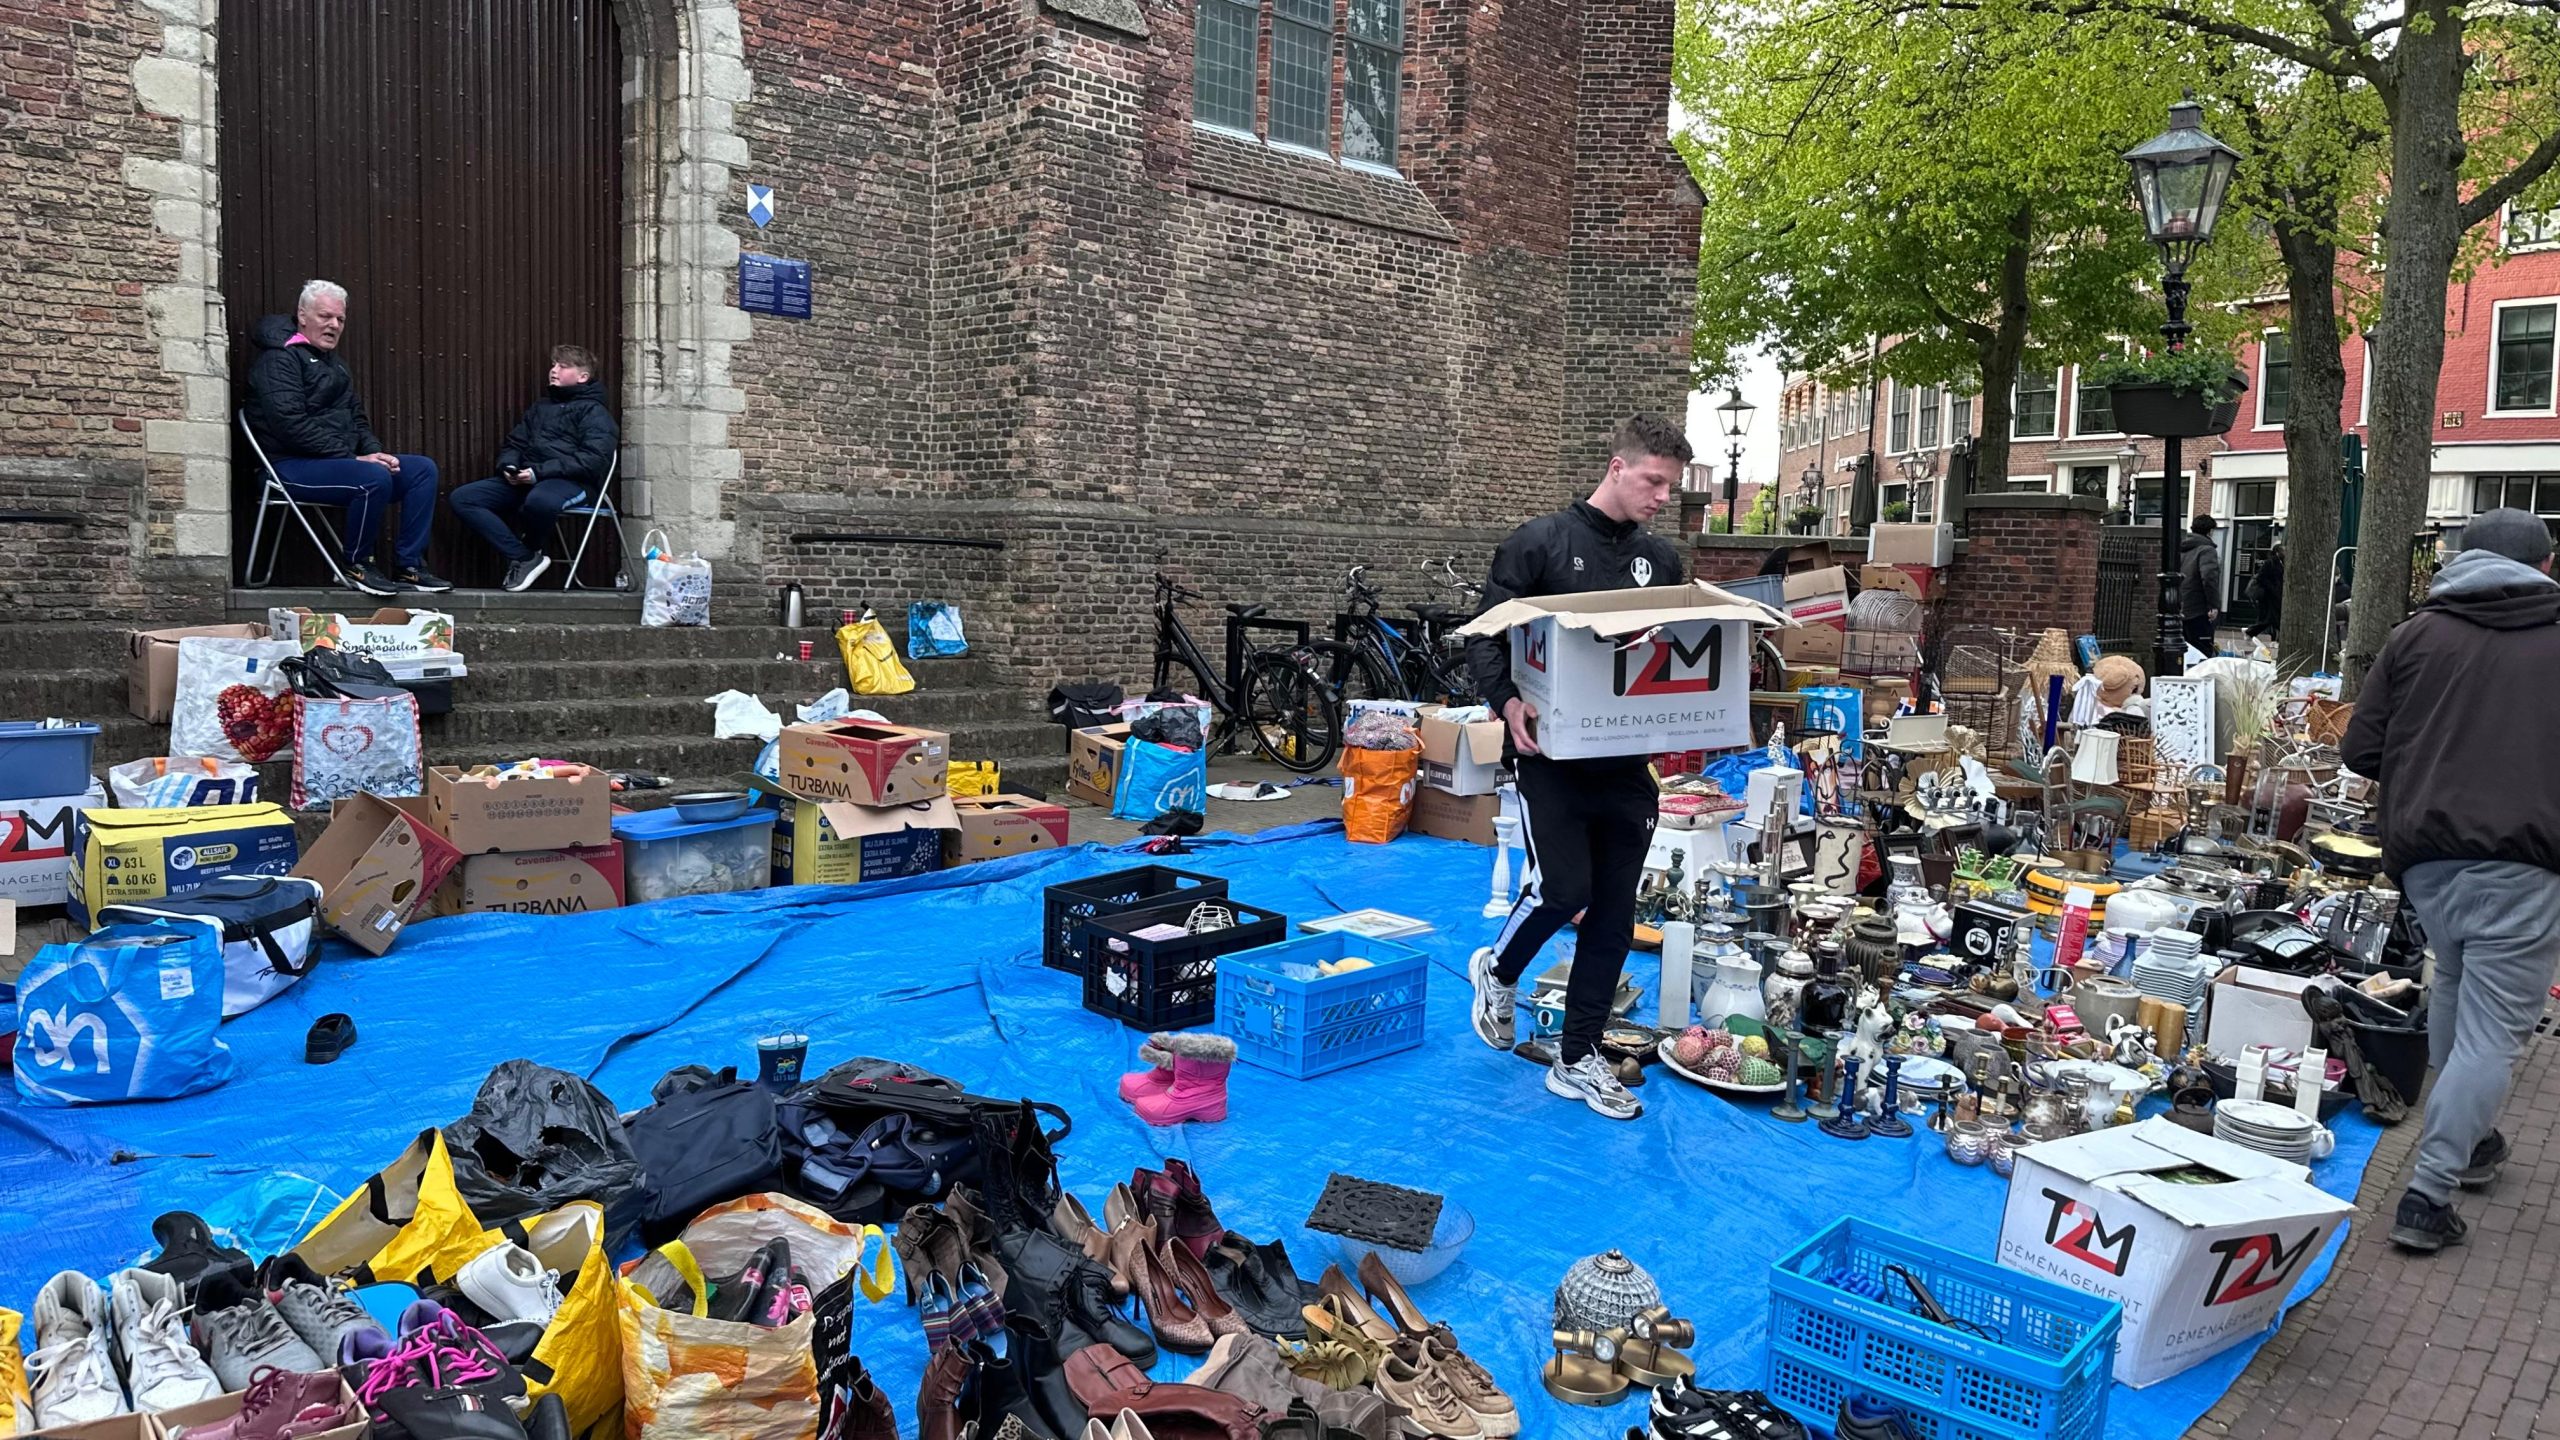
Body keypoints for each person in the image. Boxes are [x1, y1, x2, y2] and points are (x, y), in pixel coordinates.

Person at [2341, 508, 2560, 1254]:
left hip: (2429, 859)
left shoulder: (2416, 635)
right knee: (2493, 1035)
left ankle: (2470, 1137)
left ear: (2460, 560)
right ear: (2546, 565)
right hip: (2525, 862)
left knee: (2456, 991)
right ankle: (2429, 1195)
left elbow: (2361, 751)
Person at [1464, 413, 1690, 1120]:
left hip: (1626, 765)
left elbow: (1677, 657)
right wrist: (1506, 704)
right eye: (1653, 481)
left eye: (1671, 487)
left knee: (1615, 918)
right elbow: (1482, 637)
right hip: (1550, 757)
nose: (1661, 497)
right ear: (1617, 467)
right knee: (1563, 889)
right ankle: (1497, 970)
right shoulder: (1540, 543)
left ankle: (1577, 1057)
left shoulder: (1664, 562)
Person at [245, 279, 449, 597]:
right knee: (371, 477)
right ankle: (357, 564)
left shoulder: (337, 366)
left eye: (340, 319)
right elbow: (289, 424)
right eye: (325, 316)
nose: (334, 325)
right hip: (286, 467)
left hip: (338, 464)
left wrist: (375, 451)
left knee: (422, 469)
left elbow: (357, 419)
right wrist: (353, 458)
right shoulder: (278, 360)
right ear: (302, 316)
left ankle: (410, 566)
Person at [449, 346, 620, 591]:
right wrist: (509, 466)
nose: (554, 370)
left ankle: (530, 548)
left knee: (540, 500)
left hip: (574, 483)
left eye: (563, 366)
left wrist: (539, 473)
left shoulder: (595, 412)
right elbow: (515, 443)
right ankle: (525, 557)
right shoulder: (541, 407)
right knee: (464, 498)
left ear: (583, 377)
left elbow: (593, 459)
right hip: (527, 478)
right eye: (554, 364)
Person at [2178, 515, 2221, 653]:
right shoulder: (2207, 550)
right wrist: (2213, 605)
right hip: (2198, 609)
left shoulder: (2181, 548)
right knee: (2201, 651)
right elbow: (2209, 578)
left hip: (2180, 606)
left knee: (2183, 650)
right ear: (2210, 531)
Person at [2248, 543, 2285, 640]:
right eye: (2283, 551)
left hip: (2276, 595)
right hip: (2269, 596)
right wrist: (2272, 588)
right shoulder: (2270, 563)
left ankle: (2251, 632)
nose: (2286, 553)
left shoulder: (2282, 562)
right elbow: (2261, 577)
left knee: (2273, 618)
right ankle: (2251, 632)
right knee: (2273, 618)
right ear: (2277, 552)